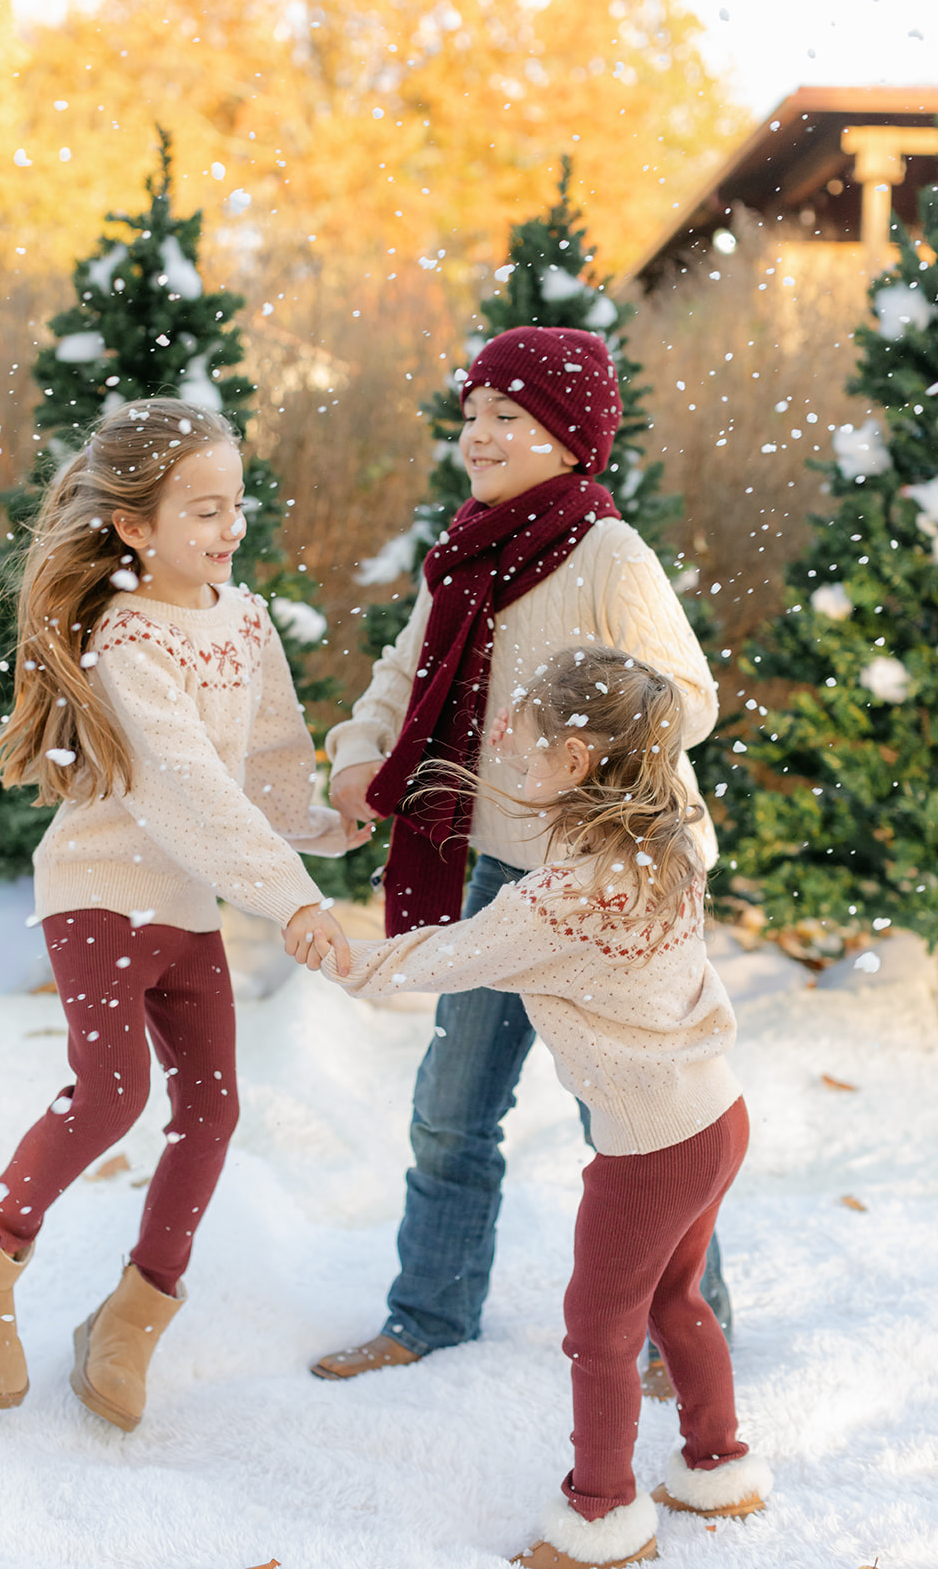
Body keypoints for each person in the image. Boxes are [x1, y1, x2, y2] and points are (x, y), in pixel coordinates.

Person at [0, 396, 368, 1430]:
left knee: (212, 1108)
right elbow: (192, 796)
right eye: (202, 511)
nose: (229, 529)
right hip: (101, 892)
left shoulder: (243, 620)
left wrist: (327, 825)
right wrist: (292, 902)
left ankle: (131, 1315)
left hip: (184, 905)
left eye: (235, 505)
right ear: (132, 527)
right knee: (114, 1091)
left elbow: (263, 766)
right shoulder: (127, 639)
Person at [290, 648, 772, 1569]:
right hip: (716, 1115)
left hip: (652, 1146)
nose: (506, 735)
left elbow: (439, 960)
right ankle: (720, 1468)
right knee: (673, 1295)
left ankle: (600, 1522)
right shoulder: (660, 838)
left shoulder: (563, 899)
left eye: (529, 732)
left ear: (582, 760)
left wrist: (334, 949)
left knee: (599, 1329)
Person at [316, 325, 729, 1385]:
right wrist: (361, 755)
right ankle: (428, 1311)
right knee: (451, 1111)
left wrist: (591, 737)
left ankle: (685, 1331)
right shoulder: (462, 551)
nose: (478, 436)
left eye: (506, 417)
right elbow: (401, 673)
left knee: (639, 1122)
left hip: (601, 886)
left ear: (567, 434)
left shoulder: (606, 555)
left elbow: (686, 699)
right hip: (498, 871)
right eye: (470, 416)